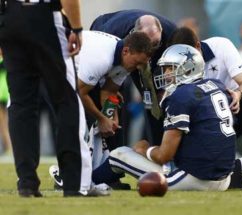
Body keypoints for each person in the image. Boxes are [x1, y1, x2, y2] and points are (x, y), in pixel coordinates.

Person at [0, 0, 106, 197]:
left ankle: (27, 182)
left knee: (21, 104)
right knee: (66, 101)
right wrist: (77, 27)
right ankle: (74, 184)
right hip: (45, 18)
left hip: (9, 18)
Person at [108, 44, 236, 191]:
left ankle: (95, 181)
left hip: (196, 178)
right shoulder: (216, 85)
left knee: (118, 155)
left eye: (171, 68)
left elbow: (164, 156)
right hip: (224, 178)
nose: (166, 74)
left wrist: (144, 150)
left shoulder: (181, 96)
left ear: (189, 69)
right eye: (165, 69)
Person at [49, 30, 153, 190]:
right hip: (56, 65)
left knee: (108, 125)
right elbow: (81, 93)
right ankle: (64, 175)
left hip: (81, 77)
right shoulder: (102, 58)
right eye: (137, 62)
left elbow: (109, 91)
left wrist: (112, 117)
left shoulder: (126, 59)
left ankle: (103, 176)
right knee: (81, 123)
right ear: (126, 51)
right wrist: (102, 119)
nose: (138, 68)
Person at [167, 27, 242, 190]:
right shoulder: (177, 63)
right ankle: (235, 167)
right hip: (202, 120)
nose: (186, 62)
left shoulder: (222, 46)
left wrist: (238, 94)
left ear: (198, 46)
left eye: (189, 55)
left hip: (232, 111)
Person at [90, 9, 177, 146]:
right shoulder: (111, 35)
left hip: (152, 53)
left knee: (157, 100)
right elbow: (107, 88)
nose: (150, 51)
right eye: (148, 46)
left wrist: (164, 90)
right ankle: (113, 148)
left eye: (155, 45)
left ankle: (160, 149)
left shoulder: (172, 33)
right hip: (115, 39)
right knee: (114, 96)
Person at [0, 47, 11, 155]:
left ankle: (8, 147)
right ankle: (8, 146)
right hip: (5, 89)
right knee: (4, 121)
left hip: (2, 90)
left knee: (3, 121)